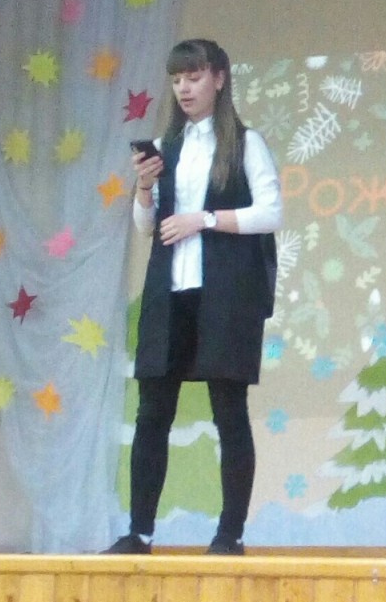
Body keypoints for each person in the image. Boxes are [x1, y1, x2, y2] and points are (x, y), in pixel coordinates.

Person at [104, 39, 281, 556]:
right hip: (170, 295)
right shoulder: (167, 145)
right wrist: (143, 189)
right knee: (152, 414)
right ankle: (139, 532)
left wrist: (203, 220)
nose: (184, 88)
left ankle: (230, 534)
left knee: (229, 411)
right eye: (177, 79)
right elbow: (147, 228)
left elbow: (271, 213)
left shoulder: (245, 143)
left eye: (195, 76)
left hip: (224, 297)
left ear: (219, 79)